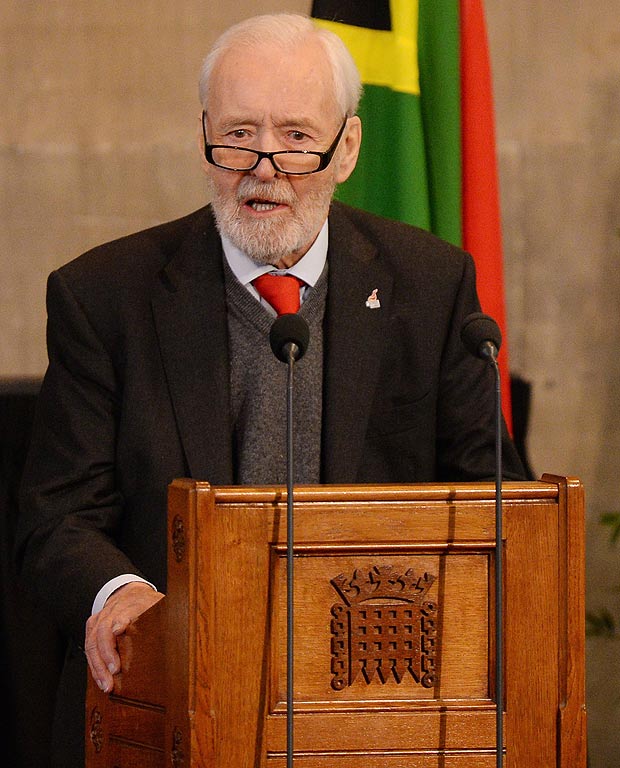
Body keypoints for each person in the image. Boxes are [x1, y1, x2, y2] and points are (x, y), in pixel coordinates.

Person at [16, 12, 525, 767]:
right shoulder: (105, 296)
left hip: (379, 705)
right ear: (202, 139)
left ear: (346, 148)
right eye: (239, 134)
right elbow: (55, 518)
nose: (264, 165)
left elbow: (496, 499)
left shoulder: (429, 284)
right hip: (171, 705)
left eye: (295, 136)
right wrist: (117, 592)